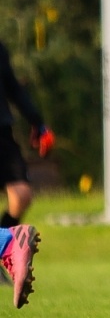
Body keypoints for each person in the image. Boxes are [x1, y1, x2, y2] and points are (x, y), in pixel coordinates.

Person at [0, 38, 54, 228]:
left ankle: (1, 244)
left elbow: (13, 89)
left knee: (22, 195)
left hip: (2, 132)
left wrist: (38, 124)